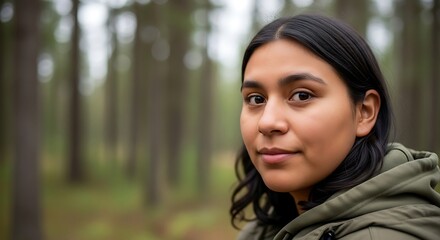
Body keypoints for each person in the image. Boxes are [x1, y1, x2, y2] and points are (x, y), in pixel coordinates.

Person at [230, 14, 440, 240]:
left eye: (302, 95)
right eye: (256, 99)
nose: (267, 122)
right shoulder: (267, 228)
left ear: (364, 112)